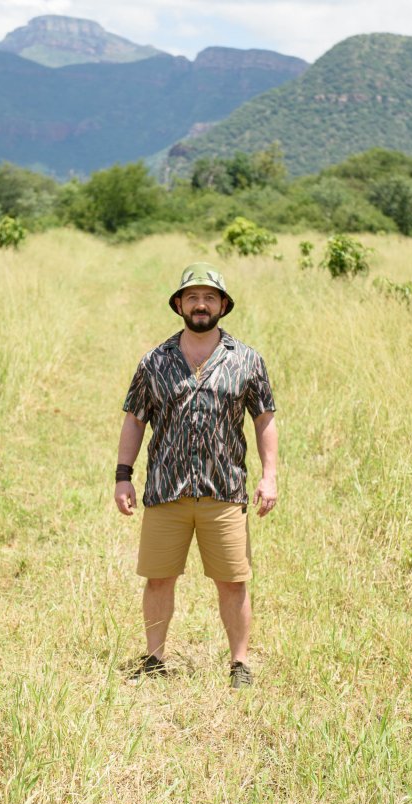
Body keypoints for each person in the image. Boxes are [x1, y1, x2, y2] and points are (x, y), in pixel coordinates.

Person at [114, 261, 278, 689]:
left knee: (233, 581)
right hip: (166, 490)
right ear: (179, 305)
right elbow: (134, 420)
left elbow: (264, 419)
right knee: (159, 577)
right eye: (192, 297)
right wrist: (123, 475)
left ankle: (239, 664)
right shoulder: (155, 361)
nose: (200, 304)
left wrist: (270, 476)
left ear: (223, 304)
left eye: (209, 297)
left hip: (223, 491)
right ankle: (153, 659)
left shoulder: (247, 360)